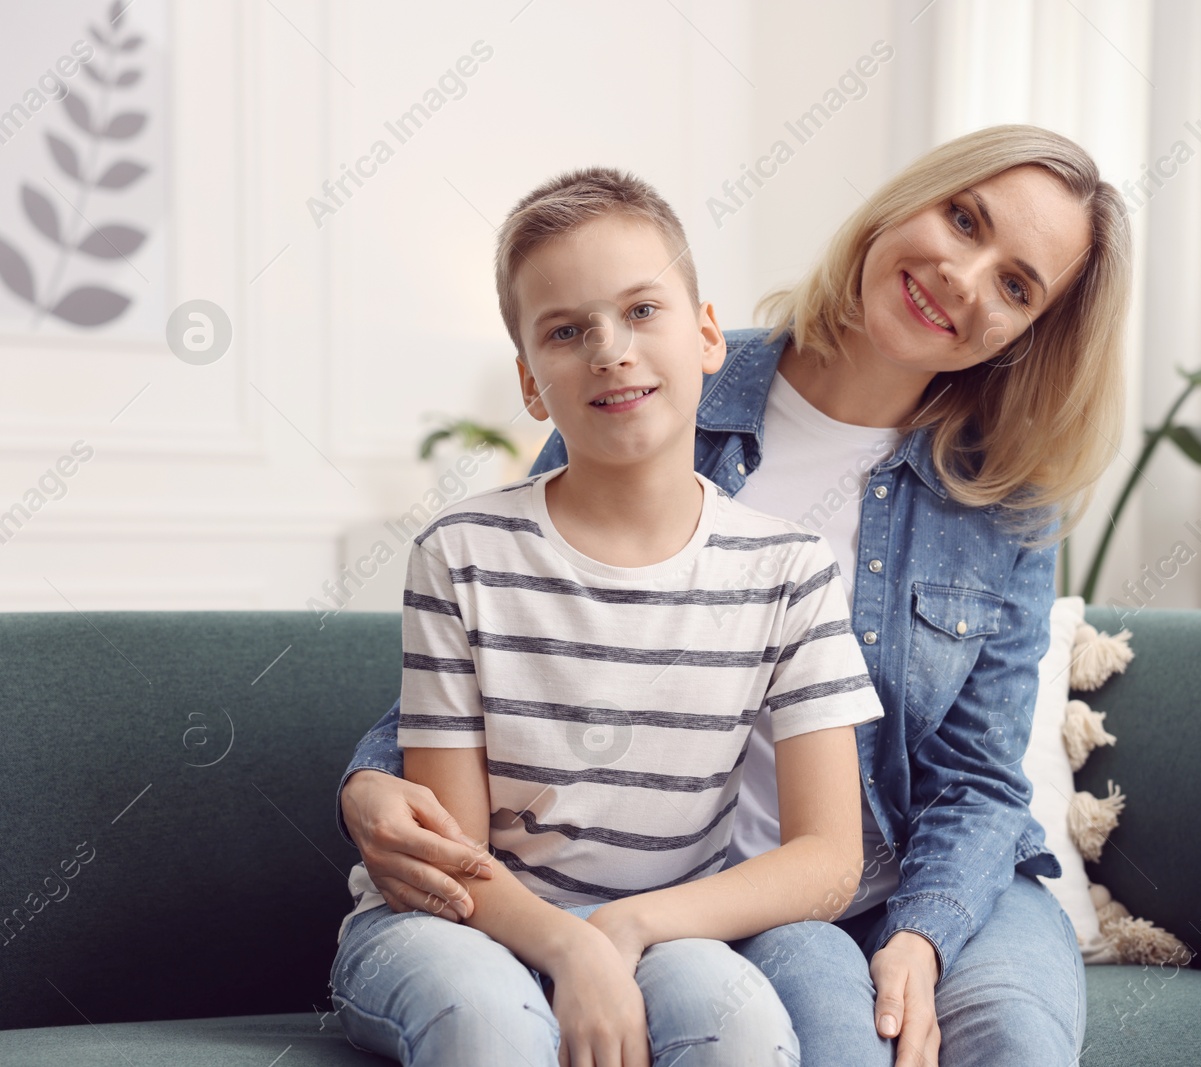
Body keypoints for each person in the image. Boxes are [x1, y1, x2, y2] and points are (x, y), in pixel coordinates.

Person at [337, 123, 1131, 1065]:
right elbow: (521, 632)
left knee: (1011, 1038)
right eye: (964, 219)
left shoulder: (1005, 497)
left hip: (912, 873)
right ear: (907, 201)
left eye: (1015, 284)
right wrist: (371, 782)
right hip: (719, 894)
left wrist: (922, 933)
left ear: (1032, 330)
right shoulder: (654, 372)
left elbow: (980, 778)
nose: (963, 276)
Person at [328, 167, 886, 1067]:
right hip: (458, 918)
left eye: (641, 311)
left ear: (708, 336)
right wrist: (570, 945)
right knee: (489, 1021)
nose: (610, 350)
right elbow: (454, 854)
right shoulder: (460, 552)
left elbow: (827, 858)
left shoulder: (790, 570)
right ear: (530, 382)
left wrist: (624, 929)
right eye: (566, 329)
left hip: (665, 927)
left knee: (737, 1023)